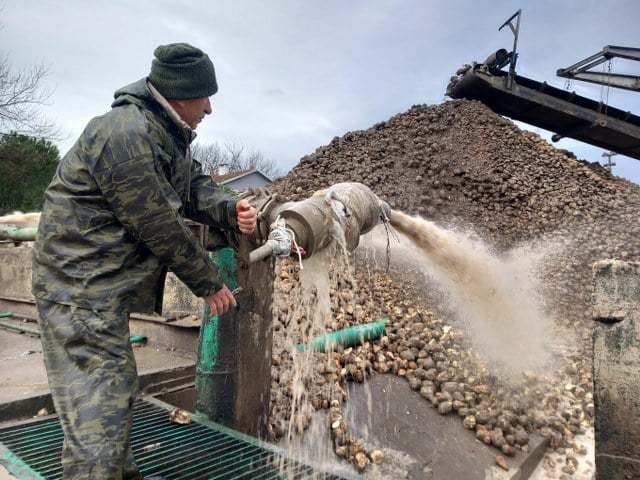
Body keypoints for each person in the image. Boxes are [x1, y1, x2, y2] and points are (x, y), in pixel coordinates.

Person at [31, 42, 257, 479]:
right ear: (178, 95)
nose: (210, 108)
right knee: (99, 403)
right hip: (77, 287)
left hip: (98, 286)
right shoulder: (126, 134)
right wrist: (208, 281)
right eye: (204, 97)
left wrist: (231, 210)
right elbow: (157, 221)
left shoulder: (163, 133)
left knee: (112, 391)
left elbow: (192, 187)